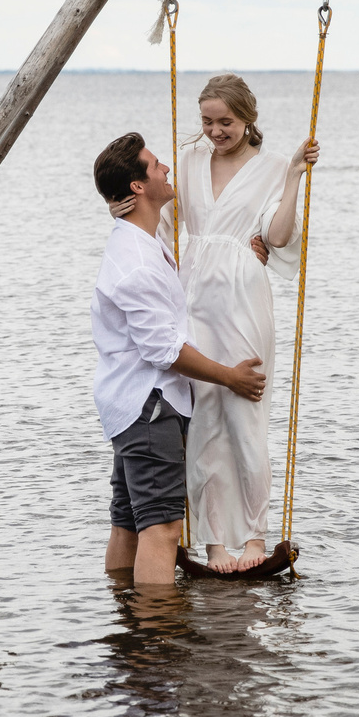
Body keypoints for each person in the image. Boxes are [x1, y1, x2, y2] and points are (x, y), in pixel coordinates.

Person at [90, 132, 268, 585]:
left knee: (129, 521)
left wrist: (242, 252)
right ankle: (154, 637)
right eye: (155, 165)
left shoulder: (143, 243)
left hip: (129, 403)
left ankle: (124, 617)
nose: (167, 168)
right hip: (149, 406)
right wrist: (229, 377)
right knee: (163, 528)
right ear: (137, 187)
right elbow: (164, 351)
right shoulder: (138, 262)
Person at [171, 74, 317, 570]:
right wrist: (118, 205)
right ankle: (213, 543)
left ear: (247, 118)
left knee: (244, 415)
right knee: (204, 417)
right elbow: (162, 218)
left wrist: (296, 174)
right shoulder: (189, 161)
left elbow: (276, 237)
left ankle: (254, 538)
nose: (215, 131)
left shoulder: (273, 166)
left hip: (242, 297)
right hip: (193, 298)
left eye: (225, 122)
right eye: (207, 122)